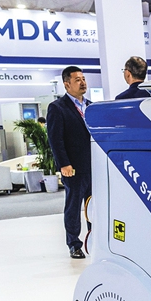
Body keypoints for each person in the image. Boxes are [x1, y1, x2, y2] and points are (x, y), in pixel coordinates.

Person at [47, 65, 93, 259]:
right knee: (73, 206)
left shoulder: (91, 106)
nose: (83, 83)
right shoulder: (58, 108)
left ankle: (95, 239)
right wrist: (64, 164)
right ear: (67, 84)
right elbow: (55, 140)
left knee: (94, 205)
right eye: (77, 80)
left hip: (94, 166)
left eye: (83, 79)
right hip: (73, 168)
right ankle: (74, 243)